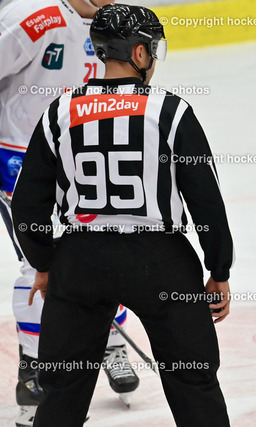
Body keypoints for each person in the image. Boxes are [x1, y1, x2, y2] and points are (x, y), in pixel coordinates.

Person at [11, 4, 234, 426]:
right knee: (194, 384)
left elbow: (27, 204)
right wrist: (218, 270)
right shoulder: (170, 111)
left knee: (62, 391)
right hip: (162, 262)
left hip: (80, 261)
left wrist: (44, 263)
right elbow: (207, 202)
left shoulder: (60, 111)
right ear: (139, 55)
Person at [0, 0, 140, 422]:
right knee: (39, 267)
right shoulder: (34, 15)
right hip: (21, 162)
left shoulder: (113, 21)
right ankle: (34, 366)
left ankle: (110, 344)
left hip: (88, 160)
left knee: (109, 252)